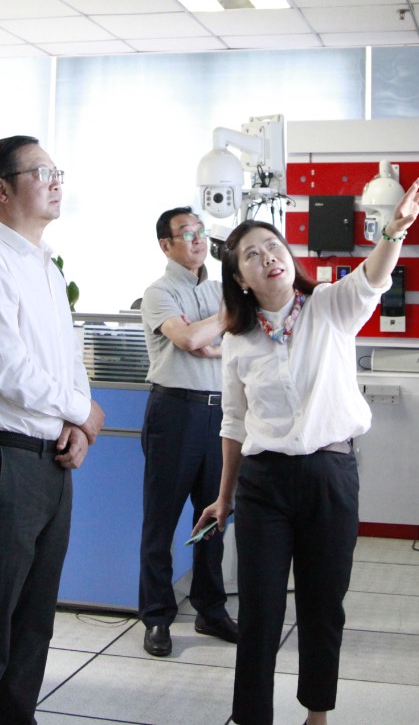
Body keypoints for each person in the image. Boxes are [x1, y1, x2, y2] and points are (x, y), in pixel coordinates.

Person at [195, 179, 419, 725]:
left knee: (323, 605)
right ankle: (251, 716)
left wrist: (394, 231)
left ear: (288, 255)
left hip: (329, 473)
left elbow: (373, 277)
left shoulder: (329, 306)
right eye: (251, 255)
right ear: (240, 278)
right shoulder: (238, 340)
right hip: (262, 484)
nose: (267, 258)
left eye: (273, 246)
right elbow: (234, 422)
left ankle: (317, 714)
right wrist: (225, 496)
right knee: (259, 610)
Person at [0, 135, 105, 725]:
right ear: (2, 189)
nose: (56, 182)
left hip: (49, 462)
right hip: (4, 461)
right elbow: (5, 369)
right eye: (41, 172)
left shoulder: (45, 264)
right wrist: (82, 411)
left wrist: (79, 422)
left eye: (58, 171)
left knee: (32, 625)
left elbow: (66, 359)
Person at [136, 207, 236, 657]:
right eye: (187, 233)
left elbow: (233, 337)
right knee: (161, 521)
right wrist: (218, 327)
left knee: (213, 516)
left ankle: (210, 610)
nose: (198, 239)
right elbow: (191, 340)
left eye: (201, 231)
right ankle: (157, 617)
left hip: (220, 415)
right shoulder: (159, 292)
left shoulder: (217, 289)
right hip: (175, 413)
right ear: (166, 245)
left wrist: (213, 334)